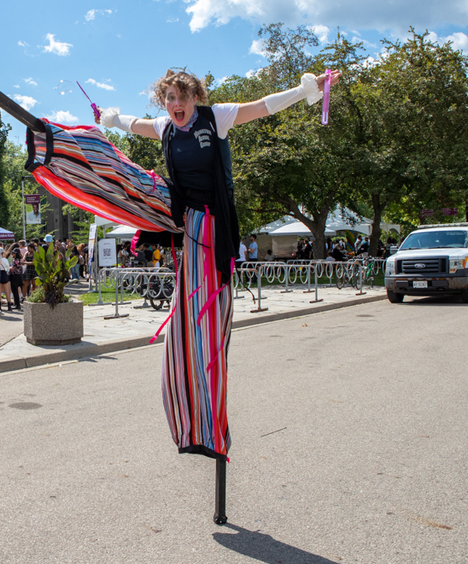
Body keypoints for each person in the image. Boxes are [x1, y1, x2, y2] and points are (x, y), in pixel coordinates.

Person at [29, 65, 339, 464]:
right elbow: (132, 123)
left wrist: (302, 91)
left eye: (181, 97)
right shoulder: (165, 126)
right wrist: (109, 118)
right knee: (129, 176)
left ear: (195, 97)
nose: (175, 105)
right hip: (174, 211)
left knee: (199, 316)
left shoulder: (217, 117)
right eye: (169, 99)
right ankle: (64, 152)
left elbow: (262, 107)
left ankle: (207, 419)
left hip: (210, 221)